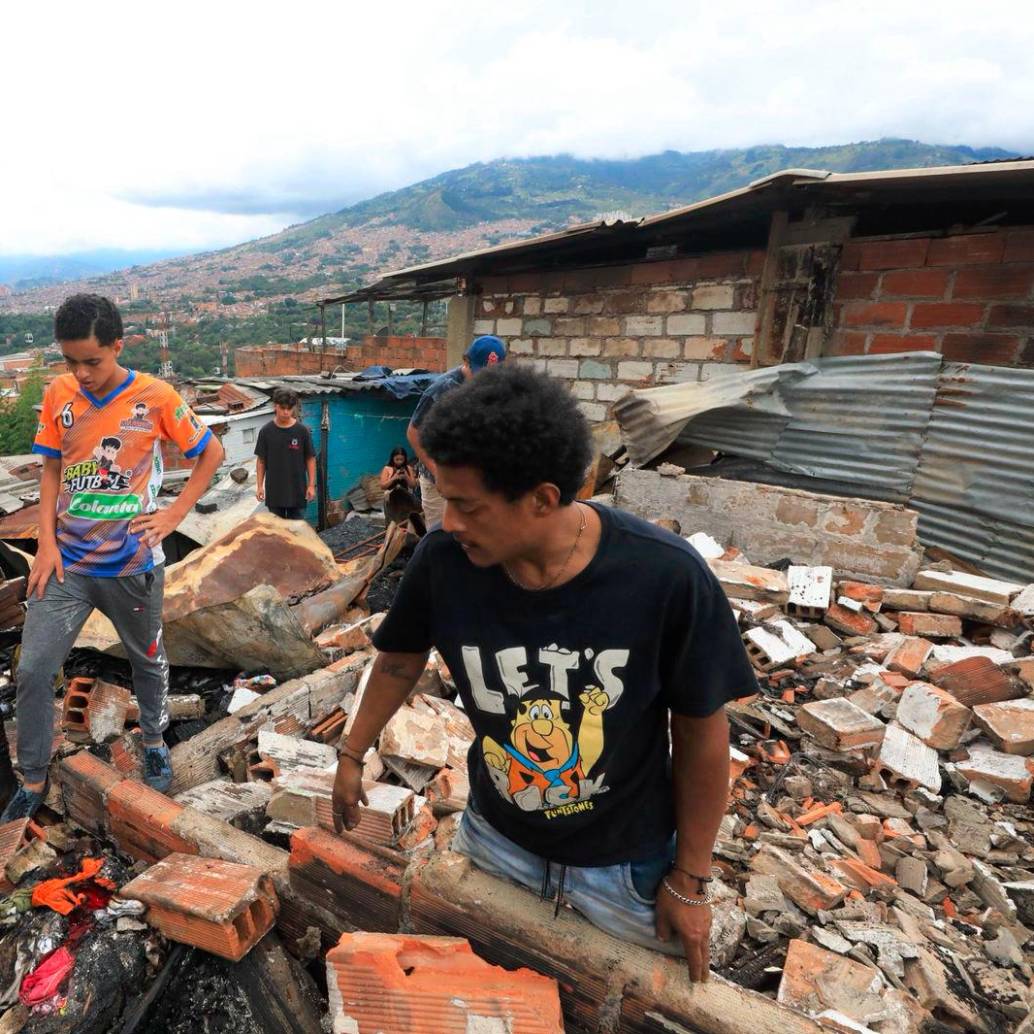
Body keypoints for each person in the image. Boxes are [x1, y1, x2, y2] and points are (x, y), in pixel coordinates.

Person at [332, 365, 756, 983]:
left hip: (627, 868)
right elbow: (399, 660)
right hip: (494, 839)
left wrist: (690, 880)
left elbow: (700, 730)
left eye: (466, 506)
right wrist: (350, 754)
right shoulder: (444, 563)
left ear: (543, 498)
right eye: (444, 499)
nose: (448, 522)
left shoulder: (663, 577)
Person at [1, 293, 224, 821]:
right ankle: (33, 776)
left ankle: (152, 739)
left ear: (118, 347)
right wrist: (47, 542)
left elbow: (210, 452)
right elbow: (51, 468)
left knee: (147, 659)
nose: (81, 373)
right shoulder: (60, 393)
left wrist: (173, 517)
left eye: (92, 361)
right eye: (71, 361)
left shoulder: (156, 397)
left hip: (133, 567)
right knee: (33, 670)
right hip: (68, 566)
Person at [406, 335, 505, 527]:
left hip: (471, 480)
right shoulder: (442, 390)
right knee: (441, 537)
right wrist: (438, 473)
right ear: (466, 361)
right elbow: (413, 432)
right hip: (439, 481)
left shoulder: (494, 388)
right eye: (480, 373)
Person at [255, 388, 316, 519]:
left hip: (298, 493)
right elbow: (261, 461)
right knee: (278, 534)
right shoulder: (266, 432)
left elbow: (310, 459)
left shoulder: (302, 431)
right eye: (282, 408)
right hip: (275, 494)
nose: (286, 412)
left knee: (297, 533)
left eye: (289, 408)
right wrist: (259, 486)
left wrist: (311, 485)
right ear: (275, 406)